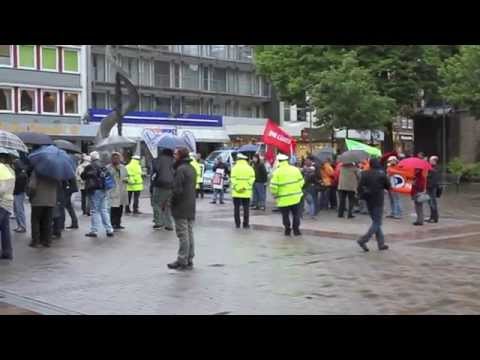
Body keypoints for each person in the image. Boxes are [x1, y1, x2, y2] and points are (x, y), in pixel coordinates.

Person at [168, 147, 197, 271]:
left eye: (175, 154)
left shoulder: (181, 169)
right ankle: (189, 258)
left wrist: (171, 202)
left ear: (180, 155)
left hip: (181, 205)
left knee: (182, 234)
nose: (174, 156)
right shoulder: (191, 168)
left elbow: (177, 189)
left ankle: (182, 259)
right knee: (189, 233)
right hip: (190, 204)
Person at [357, 158, 390, 252]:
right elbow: (388, 186)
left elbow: (359, 187)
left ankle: (381, 243)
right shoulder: (381, 174)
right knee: (377, 222)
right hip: (378, 200)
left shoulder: (364, 173)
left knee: (376, 221)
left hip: (368, 199)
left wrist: (361, 196)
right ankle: (363, 240)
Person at [81, 151, 114, 238]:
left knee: (94, 210)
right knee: (104, 210)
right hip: (104, 189)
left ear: (91, 158)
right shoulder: (103, 166)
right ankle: (109, 230)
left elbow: (83, 176)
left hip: (95, 190)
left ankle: (94, 230)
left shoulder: (90, 166)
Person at [270, 153, 305, 236]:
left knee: (285, 215)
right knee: (296, 214)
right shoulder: (295, 169)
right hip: (296, 197)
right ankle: (296, 230)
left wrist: (275, 194)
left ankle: (287, 230)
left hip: (283, 199)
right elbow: (302, 182)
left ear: (278, 161)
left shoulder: (276, 172)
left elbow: (273, 186)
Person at [27, 168, 58, 248]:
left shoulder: (37, 171)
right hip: (51, 200)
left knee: (35, 221)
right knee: (47, 221)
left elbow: (32, 186)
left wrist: (30, 196)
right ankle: (47, 241)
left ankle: (35, 241)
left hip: (38, 200)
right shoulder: (55, 172)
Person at [150, 148, 175, 231]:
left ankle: (159, 223)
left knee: (156, 203)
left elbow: (155, 170)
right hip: (171, 185)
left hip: (160, 184)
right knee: (168, 205)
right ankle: (169, 224)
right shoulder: (174, 160)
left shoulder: (159, 160)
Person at [230, 153, 255, 229]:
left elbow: (232, 179)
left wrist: (238, 187)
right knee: (246, 209)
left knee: (236, 208)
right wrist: (246, 186)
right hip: (246, 192)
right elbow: (252, 178)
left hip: (236, 192)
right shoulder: (250, 168)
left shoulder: (234, 168)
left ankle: (237, 223)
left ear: (238, 159)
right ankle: (245, 224)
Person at [107, 152, 129, 231]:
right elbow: (106, 178)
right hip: (113, 190)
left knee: (120, 208)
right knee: (113, 208)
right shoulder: (108, 168)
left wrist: (127, 179)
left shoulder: (123, 167)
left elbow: (127, 176)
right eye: (114, 158)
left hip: (122, 190)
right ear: (111, 159)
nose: (116, 159)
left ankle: (118, 223)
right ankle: (112, 223)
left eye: (117, 158)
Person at [0, 154, 15, 259]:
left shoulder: (2, 171)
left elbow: (2, 189)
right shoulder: (10, 170)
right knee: (5, 229)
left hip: (1, 203)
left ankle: (7, 252)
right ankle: (7, 252)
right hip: (8, 203)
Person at [12, 157, 28, 233]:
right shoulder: (21, 173)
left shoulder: (20, 175)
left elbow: (18, 185)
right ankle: (20, 226)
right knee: (17, 210)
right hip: (18, 193)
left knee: (19, 210)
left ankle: (22, 226)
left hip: (18, 193)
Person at [426, 156, 440, 223]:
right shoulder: (431, 167)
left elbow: (433, 179)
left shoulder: (434, 168)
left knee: (432, 203)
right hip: (429, 187)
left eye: (430, 160)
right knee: (430, 202)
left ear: (434, 161)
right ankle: (432, 217)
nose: (429, 161)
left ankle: (434, 218)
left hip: (432, 188)